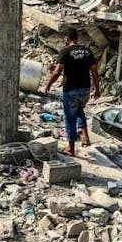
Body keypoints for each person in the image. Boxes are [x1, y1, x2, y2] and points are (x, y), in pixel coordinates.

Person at [44, 27, 102, 156]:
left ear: (66, 39)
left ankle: (70, 148)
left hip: (70, 90)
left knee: (70, 118)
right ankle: (85, 136)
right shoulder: (87, 51)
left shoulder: (65, 52)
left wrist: (48, 84)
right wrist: (97, 89)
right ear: (77, 38)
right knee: (79, 110)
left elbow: (57, 71)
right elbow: (95, 72)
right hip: (85, 90)